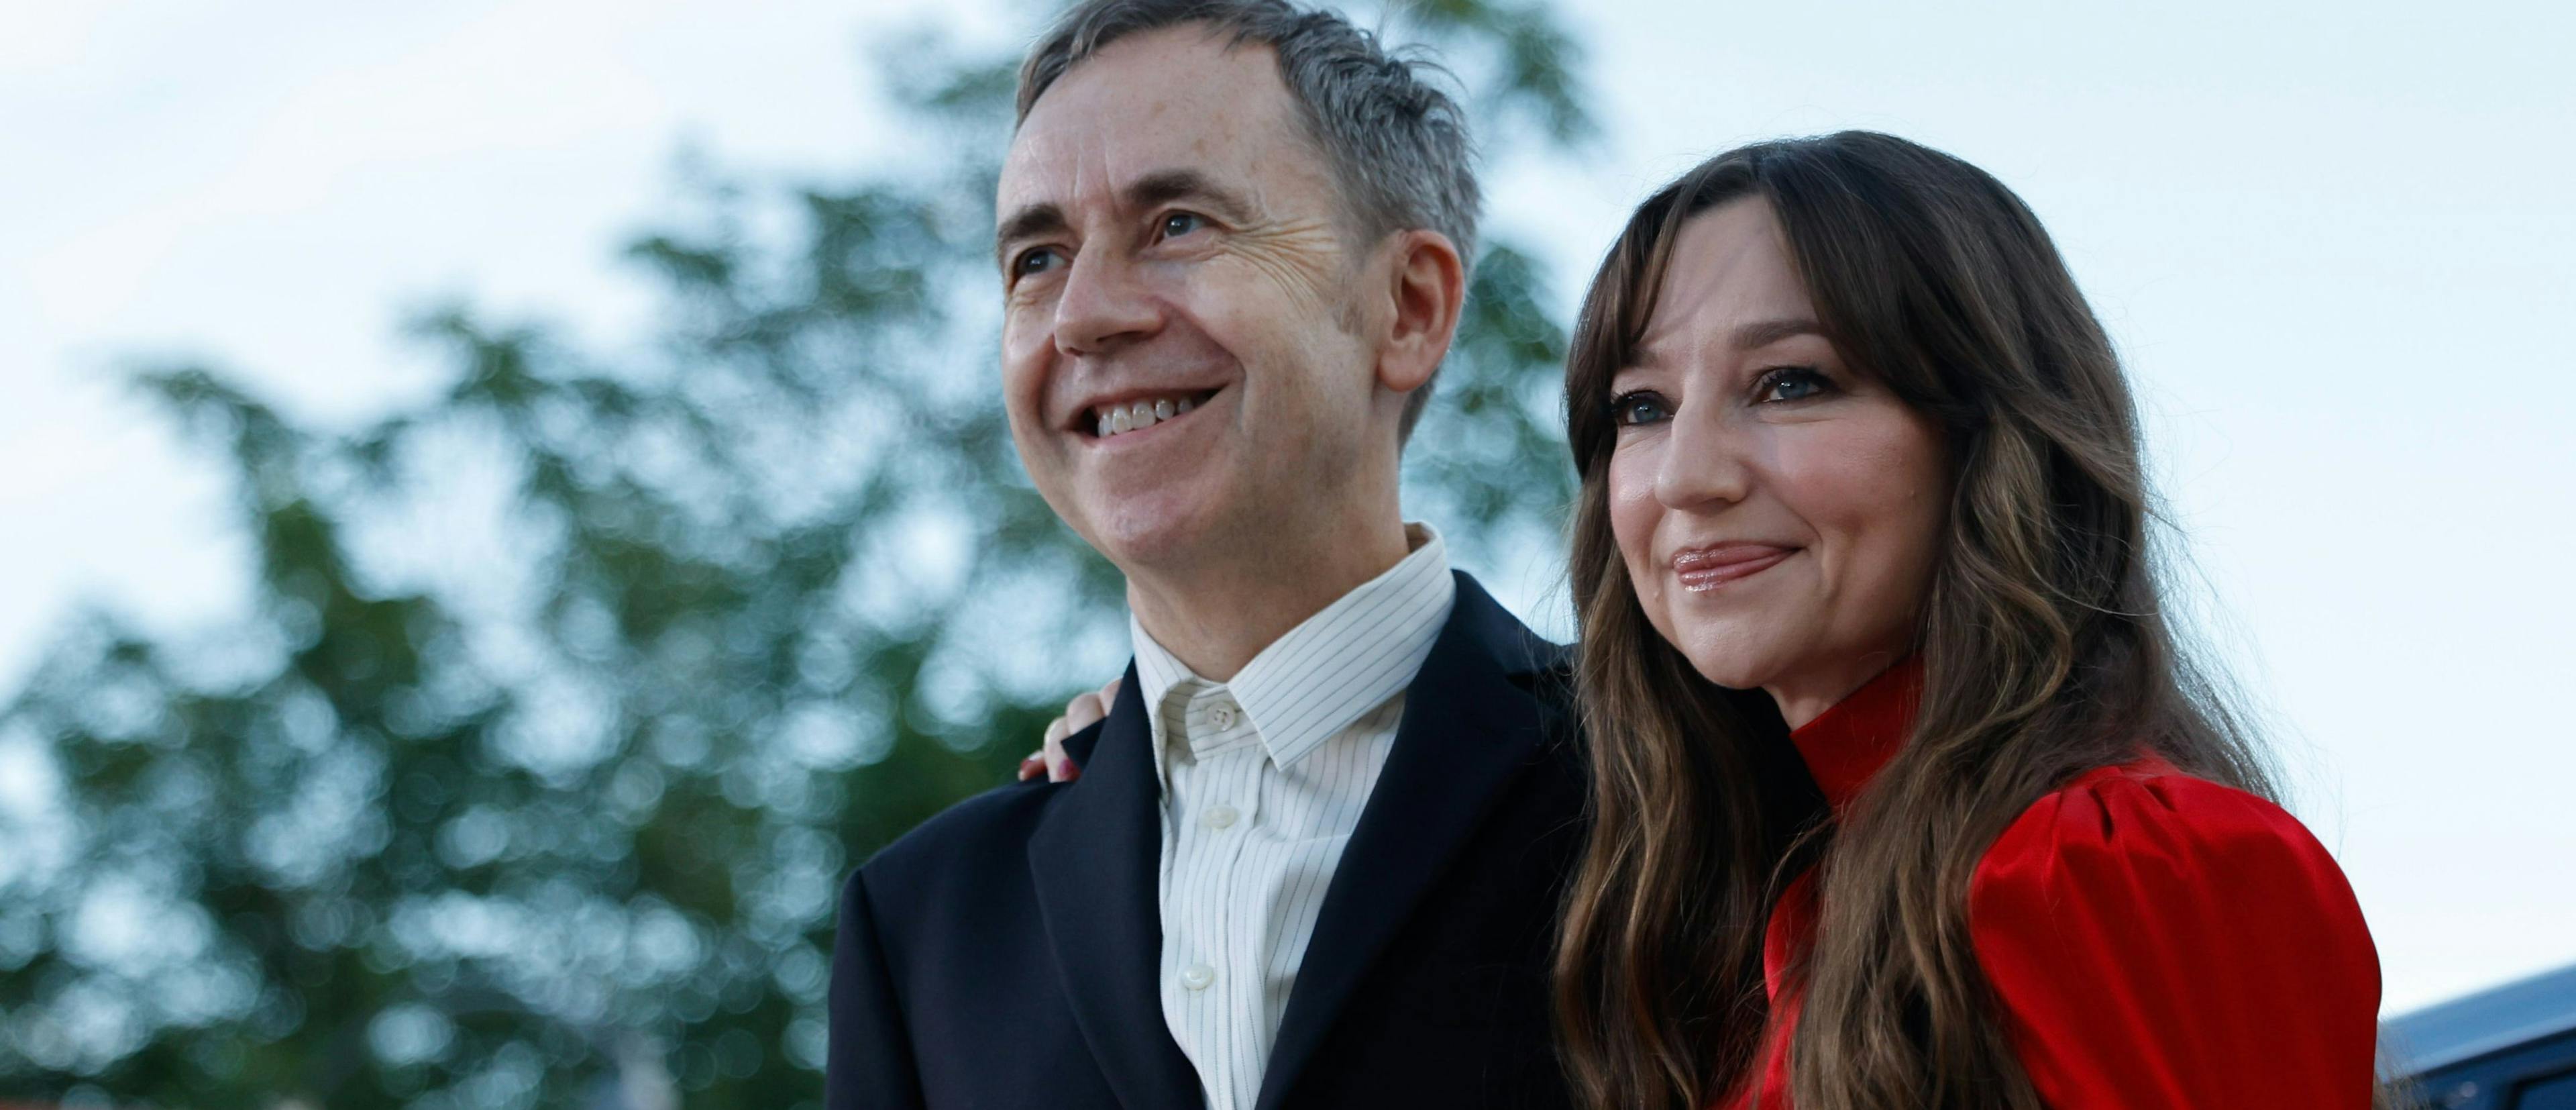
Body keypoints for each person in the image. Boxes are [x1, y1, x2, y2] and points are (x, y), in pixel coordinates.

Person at [824, 2, 1593, 1108]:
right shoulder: (924, 923)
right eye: (1036, 258)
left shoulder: (1676, 781)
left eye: (1178, 223)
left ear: (1408, 307)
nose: (1082, 316)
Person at [1549, 132, 2383, 1108]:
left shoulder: (2116, 866)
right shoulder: (1767, 918)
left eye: (1791, 382)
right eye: (1642, 407)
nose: (1688, 476)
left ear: (1988, 440)